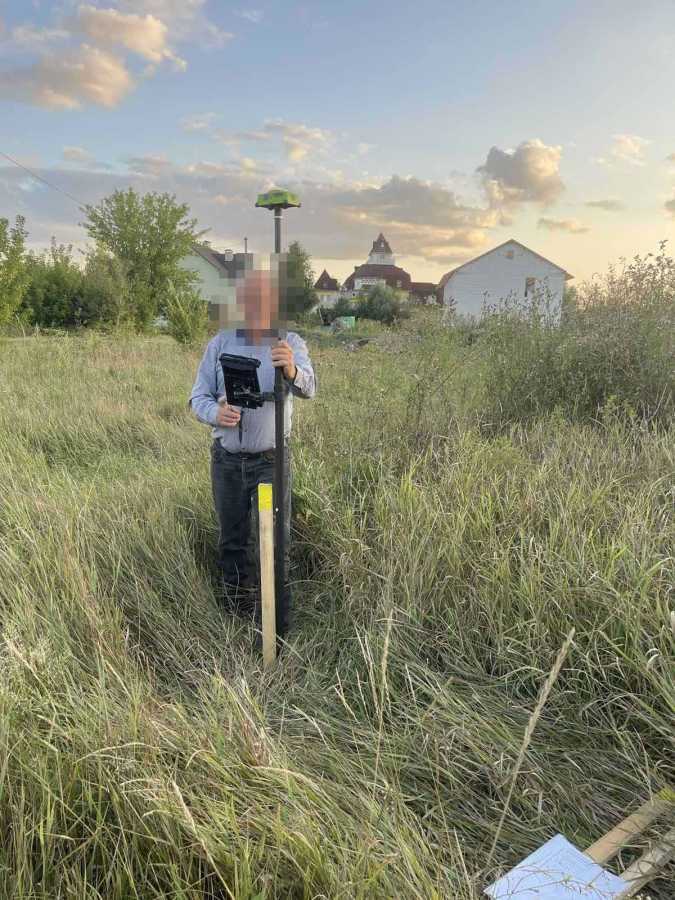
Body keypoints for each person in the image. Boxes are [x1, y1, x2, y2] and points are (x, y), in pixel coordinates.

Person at [188, 259, 316, 635]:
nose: (255, 304)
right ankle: (235, 618)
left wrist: (291, 371)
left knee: (276, 543)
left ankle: (277, 627)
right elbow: (197, 397)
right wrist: (216, 412)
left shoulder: (289, 343)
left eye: (263, 296)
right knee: (232, 541)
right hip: (226, 461)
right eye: (249, 297)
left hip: (270, 461)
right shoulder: (220, 343)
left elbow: (310, 388)